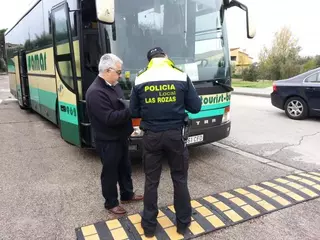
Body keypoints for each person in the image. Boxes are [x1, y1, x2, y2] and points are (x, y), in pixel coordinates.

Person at [129, 47, 202, 237]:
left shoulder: (140, 78)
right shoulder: (180, 75)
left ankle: (149, 227)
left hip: (151, 136)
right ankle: (183, 224)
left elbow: (134, 111)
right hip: (175, 136)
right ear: (166, 57)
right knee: (180, 178)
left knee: (151, 181)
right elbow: (195, 107)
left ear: (149, 60)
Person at [85, 53, 143, 215]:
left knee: (125, 167)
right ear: (107, 70)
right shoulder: (95, 92)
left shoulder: (113, 85)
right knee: (110, 172)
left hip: (121, 136)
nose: (120, 75)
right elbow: (109, 118)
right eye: (118, 72)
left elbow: (120, 105)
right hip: (108, 140)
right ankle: (110, 203)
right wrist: (130, 111)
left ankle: (127, 194)